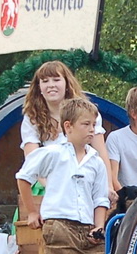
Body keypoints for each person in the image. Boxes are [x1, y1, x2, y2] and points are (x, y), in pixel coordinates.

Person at [17, 98, 110, 254]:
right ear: (68, 127)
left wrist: (99, 226)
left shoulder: (96, 161)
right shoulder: (53, 153)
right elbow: (24, 177)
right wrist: (33, 212)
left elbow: (101, 198)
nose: (92, 130)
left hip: (89, 230)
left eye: (94, 125)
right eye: (86, 125)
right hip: (60, 227)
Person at [19, 60, 117, 191]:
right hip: (47, 182)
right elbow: (32, 160)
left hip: (83, 178)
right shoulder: (32, 117)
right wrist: (52, 187)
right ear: (39, 87)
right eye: (45, 81)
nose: (51, 85)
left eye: (56, 80)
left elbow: (101, 151)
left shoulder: (87, 112)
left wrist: (108, 186)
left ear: (66, 84)